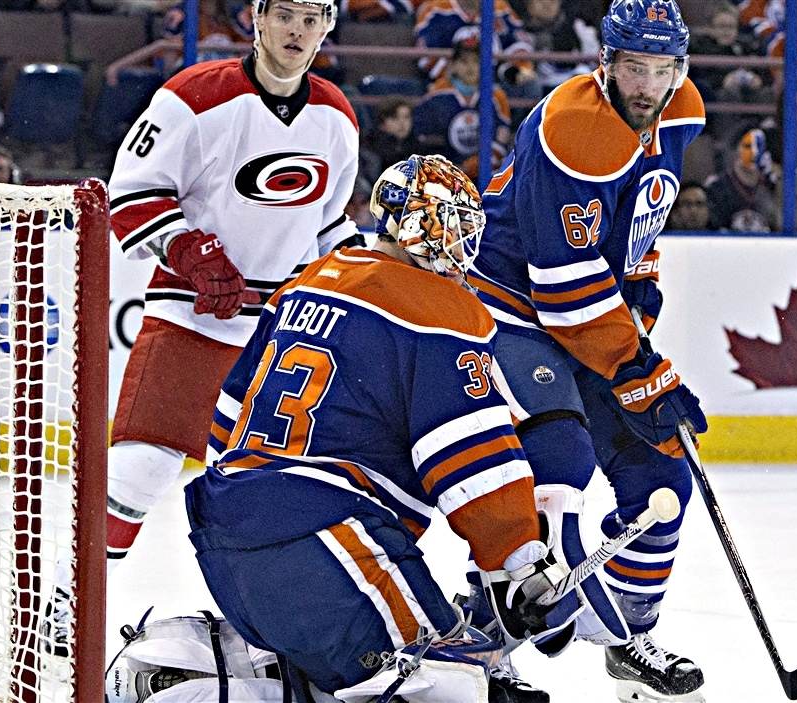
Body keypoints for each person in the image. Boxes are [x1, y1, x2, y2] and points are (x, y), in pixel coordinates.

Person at [188, 154, 569, 702]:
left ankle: (191, 677)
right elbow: (473, 459)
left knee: (328, 685)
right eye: (455, 225)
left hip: (224, 532)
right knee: (451, 686)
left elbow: (229, 414)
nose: (464, 245)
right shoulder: (441, 310)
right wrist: (520, 560)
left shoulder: (310, 282)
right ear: (421, 226)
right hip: (327, 541)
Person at [465, 1, 710, 700]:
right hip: (510, 310)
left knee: (663, 480)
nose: (647, 84)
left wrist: (641, 285)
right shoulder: (570, 129)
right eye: (634, 66)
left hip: (583, 308)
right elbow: (563, 286)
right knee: (550, 483)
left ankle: (630, 637)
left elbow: (639, 220)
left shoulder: (679, 109)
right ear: (605, 62)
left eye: (662, 69)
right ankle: (488, 645)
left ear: (680, 70)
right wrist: (641, 371)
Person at [102, 0, 360, 599]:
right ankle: (69, 601)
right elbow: (129, 194)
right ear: (258, 18)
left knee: (281, 493)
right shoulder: (192, 96)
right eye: (286, 14)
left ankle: (278, 629)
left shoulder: (337, 117)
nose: (298, 30)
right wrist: (187, 249)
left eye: (312, 18)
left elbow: (327, 229)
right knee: (142, 466)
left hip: (284, 329)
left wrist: (363, 278)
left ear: (328, 28)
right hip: (190, 314)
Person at [414, 28, 513, 183]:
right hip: (444, 173)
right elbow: (423, 137)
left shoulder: (497, 96)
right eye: (464, 61)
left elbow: (500, 143)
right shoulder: (438, 93)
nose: (470, 67)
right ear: (452, 65)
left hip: (486, 174)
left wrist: (470, 167)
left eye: (476, 61)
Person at [707, 127, 780, 232]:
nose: (754, 152)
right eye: (747, 146)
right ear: (737, 149)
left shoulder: (771, 185)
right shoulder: (718, 186)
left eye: (759, 146)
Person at [358, 95, 420, 185]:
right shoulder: (368, 148)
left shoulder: (417, 147)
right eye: (395, 118)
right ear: (382, 122)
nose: (402, 123)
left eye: (406, 117)